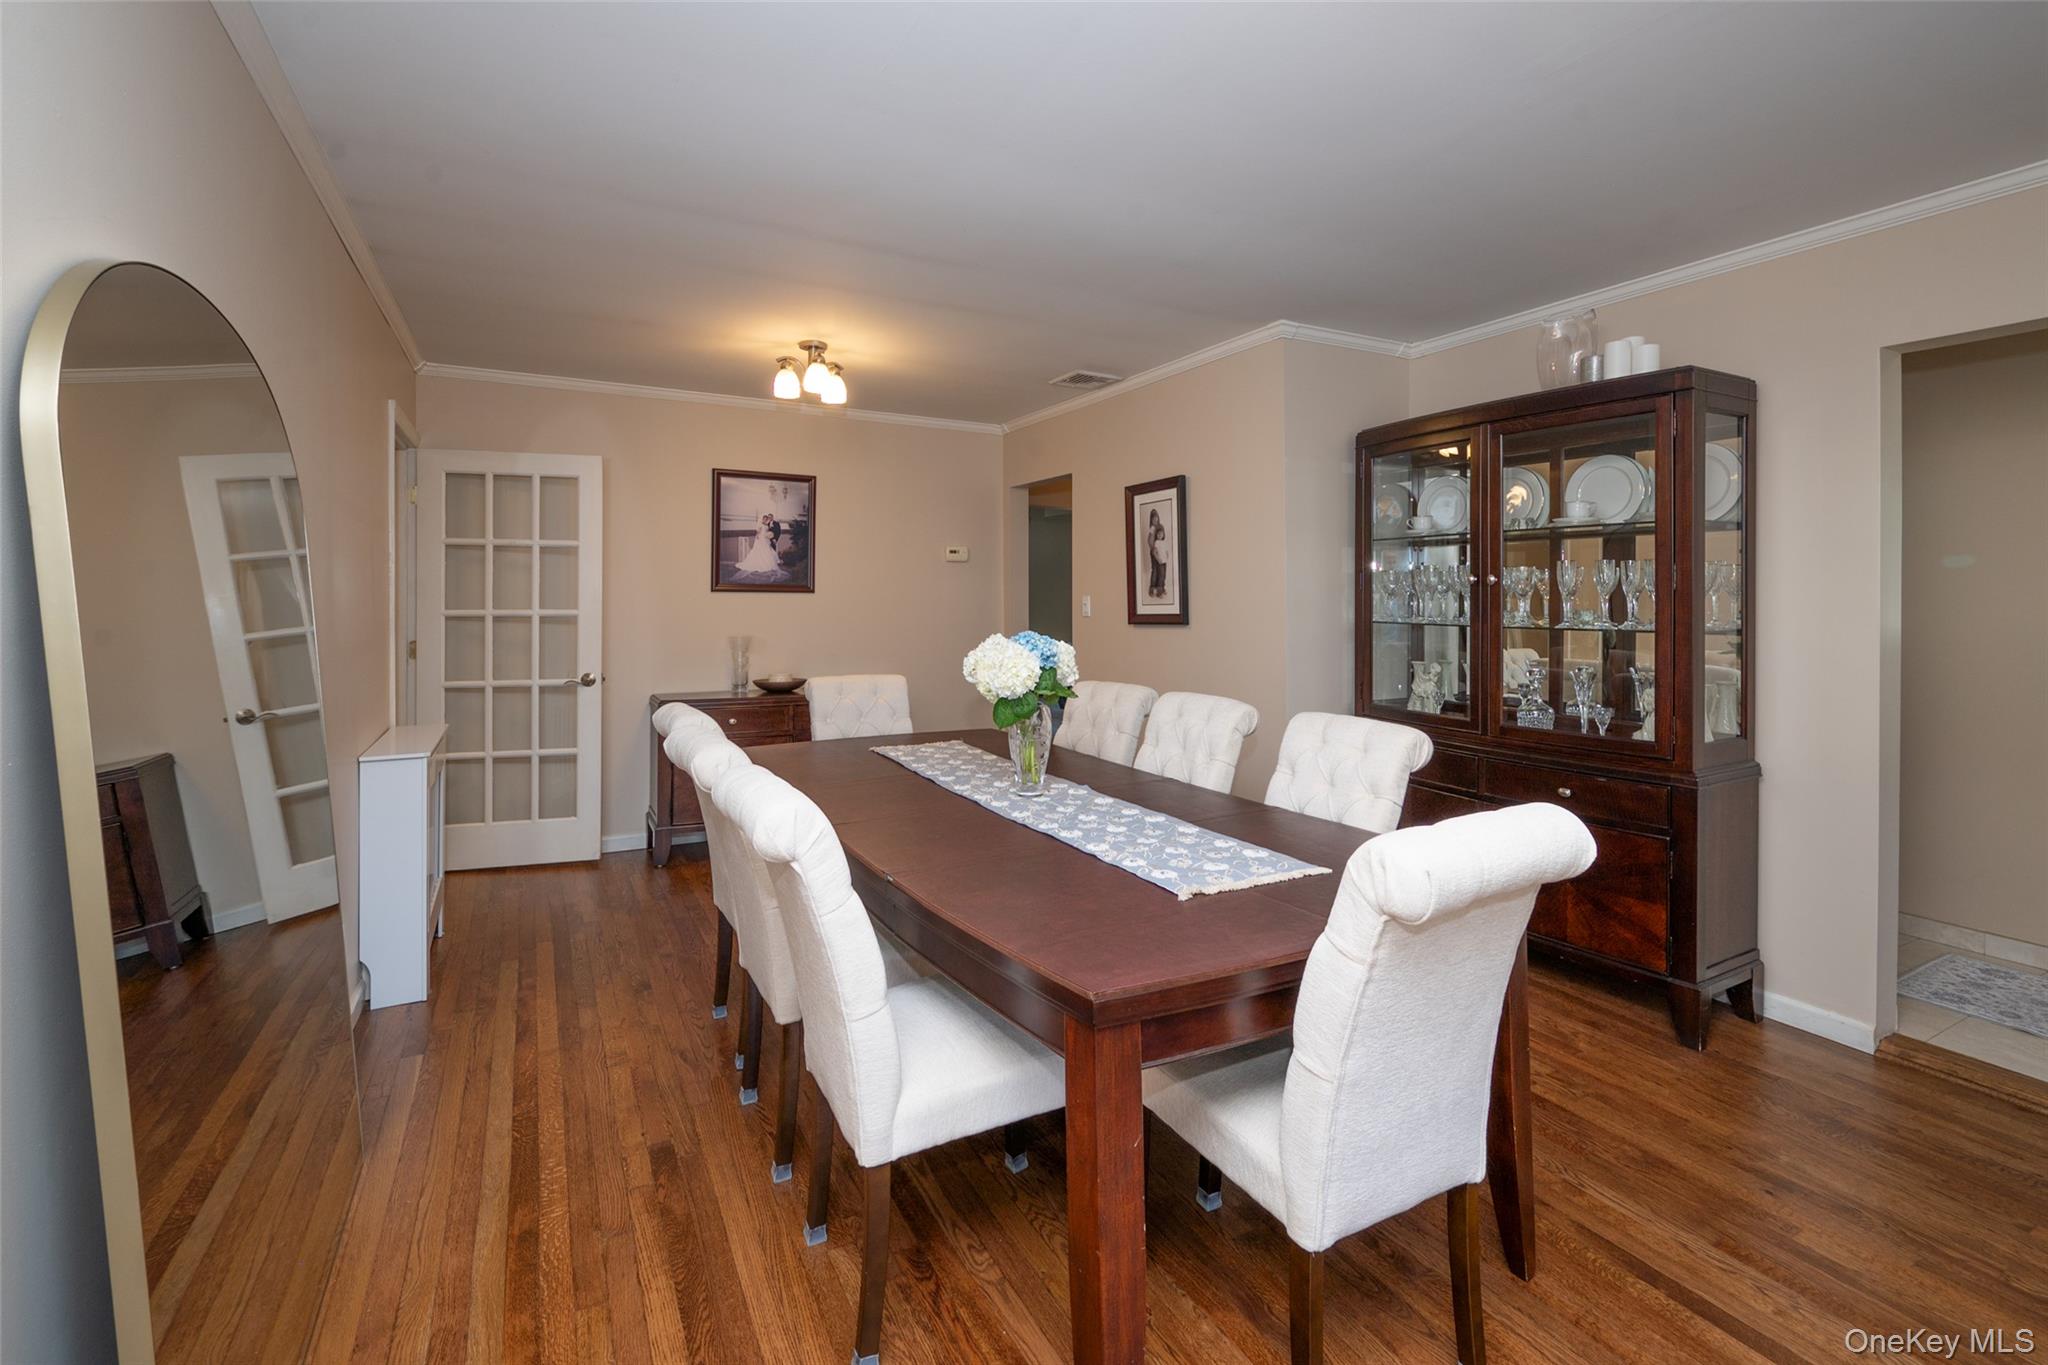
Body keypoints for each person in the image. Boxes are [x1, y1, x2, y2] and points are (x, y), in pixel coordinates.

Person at [734, 512, 785, 577]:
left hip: (767, 540)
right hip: (762, 539)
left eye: (768, 518)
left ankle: (771, 563)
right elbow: (758, 532)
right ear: (762, 519)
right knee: (761, 551)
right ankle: (762, 564)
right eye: (766, 518)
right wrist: (758, 536)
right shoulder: (761, 524)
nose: (767, 519)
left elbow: (776, 531)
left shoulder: (770, 523)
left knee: (769, 551)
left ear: (772, 517)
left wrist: (772, 536)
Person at [1147, 508, 1168, 598]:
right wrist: (1153, 549)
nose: (1155, 520)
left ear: (1158, 518)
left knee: (1162, 572)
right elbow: (1149, 540)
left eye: (1156, 518)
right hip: (1154, 552)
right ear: (1151, 519)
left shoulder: (1161, 526)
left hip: (1161, 553)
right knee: (1155, 570)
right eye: (1153, 518)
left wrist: (1165, 552)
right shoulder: (1152, 528)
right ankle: (1152, 589)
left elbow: (1163, 538)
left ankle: (1161, 589)